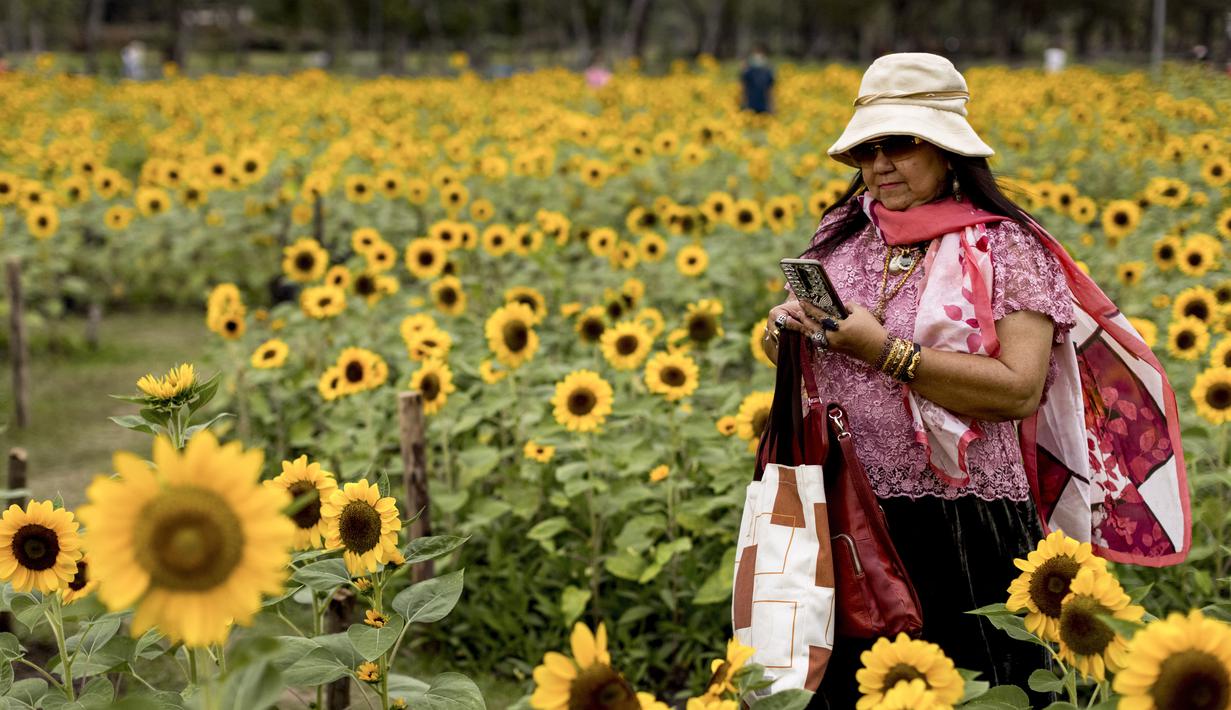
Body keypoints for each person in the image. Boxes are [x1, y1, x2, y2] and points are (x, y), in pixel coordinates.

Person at [758, 53, 1189, 707]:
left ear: (947, 148)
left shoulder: (1005, 249)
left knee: (978, 687)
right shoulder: (842, 239)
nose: (880, 165)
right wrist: (783, 338)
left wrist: (887, 352)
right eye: (867, 149)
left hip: (960, 524)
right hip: (846, 516)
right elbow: (825, 352)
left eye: (900, 144)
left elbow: (1017, 388)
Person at [740, 45, 774, 114]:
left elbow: (770, 89)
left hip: (763, 105)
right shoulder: (749, 71)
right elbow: (744, 86)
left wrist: (771, 106)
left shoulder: (767, 72)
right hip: (751, 104)